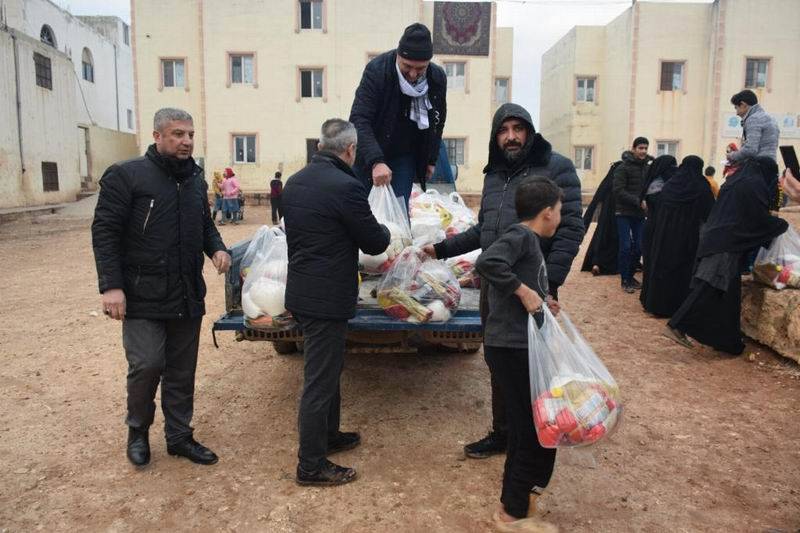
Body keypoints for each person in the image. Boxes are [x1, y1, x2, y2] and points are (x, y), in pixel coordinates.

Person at [424, 103, 584, 459]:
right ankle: (504, 433)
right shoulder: (495, 174)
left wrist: (549, 282)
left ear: (529, 131)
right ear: (496, 136)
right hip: (495, 285)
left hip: (530, 290)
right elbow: (485, 232)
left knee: (532, 363)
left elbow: (572, 227)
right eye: (503, 130)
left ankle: (535, 434)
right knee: (499, 362)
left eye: (517, 129)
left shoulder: (556, 168)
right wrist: (439, 249)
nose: (510, 137)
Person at [91, 107, 231, 467]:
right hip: (141, 294)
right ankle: (137, 430)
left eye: (190, 135)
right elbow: (105, 232)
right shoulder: (127, 176)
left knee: (182, 371)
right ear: (156, 136)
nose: (186, 141)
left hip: (186, 292)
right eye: (177, 134)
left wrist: (216, 247)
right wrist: (111, 287)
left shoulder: (196, 181)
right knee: (148, 364)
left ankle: (180, 437)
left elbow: (204, 225)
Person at [282, 119, 390, 486]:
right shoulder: (346, 186)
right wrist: (390, 229)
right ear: (350, 150)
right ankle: (310, 466)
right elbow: (374, 242)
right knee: (318, 381)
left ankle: (330, 435)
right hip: (327, 298)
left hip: (303, 292)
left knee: (328, 372)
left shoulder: (294, 183)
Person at [475, 177, 562, 531]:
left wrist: (543, 301)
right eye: (560, 211)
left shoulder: (530, 241)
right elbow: (488, 262)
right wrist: (524, 292)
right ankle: (511, 516)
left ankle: (516, 504)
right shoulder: (521, 236)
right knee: (533, 433)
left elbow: (523, 284)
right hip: (511, 348)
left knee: (528, 429)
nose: (561, 217)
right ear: (546, 213)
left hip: (516, 346)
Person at [664, 157, 788, 355]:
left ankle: (727, 342)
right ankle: (677, 325)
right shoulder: (753, 184)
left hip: (716, 238)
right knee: (710, 285)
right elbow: (755, 218)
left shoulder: (736, 181)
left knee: (728, 295)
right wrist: (780, 225)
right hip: (726, 243)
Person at [349, 23, 446, 206]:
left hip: (404, 155)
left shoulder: (436, 78)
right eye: (407, 66)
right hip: (370, 151)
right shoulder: (377, 71)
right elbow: (359, 119)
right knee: (359, 209)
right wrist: (376, 161)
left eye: (420, 69)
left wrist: (431, 159)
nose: (412, 74)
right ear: (398, 55)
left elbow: (437, 121)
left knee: (398, 211)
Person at [641, 156, 714, 318]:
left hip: (664, 235)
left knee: (662, 268)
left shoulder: (670, 186)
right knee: (682, 271)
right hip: (687, 237)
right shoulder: (701, 186)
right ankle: (676, 308)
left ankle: (656, 305)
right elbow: (709, 212)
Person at [613, 137, 652, 293]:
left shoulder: (649, 167)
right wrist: (638, 201)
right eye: (640, 148)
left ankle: (630, 276)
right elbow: (618, 190)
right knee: (625, 247)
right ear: (634, 149)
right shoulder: (623, 168)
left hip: (640, 213)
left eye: (645, 148)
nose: (643, 151)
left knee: (639, 246)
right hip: (623, 212)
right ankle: (624, 280)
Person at [638, 155, 678, 303]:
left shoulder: (650, 184)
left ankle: (648, 296)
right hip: (661, 229)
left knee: (650, 263)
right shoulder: (666, 187)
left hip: (650, 227)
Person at [580, 161, 622, 276]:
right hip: (618, 216)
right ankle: (607, 264)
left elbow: (596, 200)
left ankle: (596, 263)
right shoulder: (621, 184)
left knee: (600, 239)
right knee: (615, 240)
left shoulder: (608, 183)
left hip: (605, 219)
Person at [727, 90, 780, 164]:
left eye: (736, 108)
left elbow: (750, 150)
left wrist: (731, 156)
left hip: (757, 168)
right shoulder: (770, 118)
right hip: (770, 166)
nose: (737, 113)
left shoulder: (753, 119)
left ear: (743, 104)